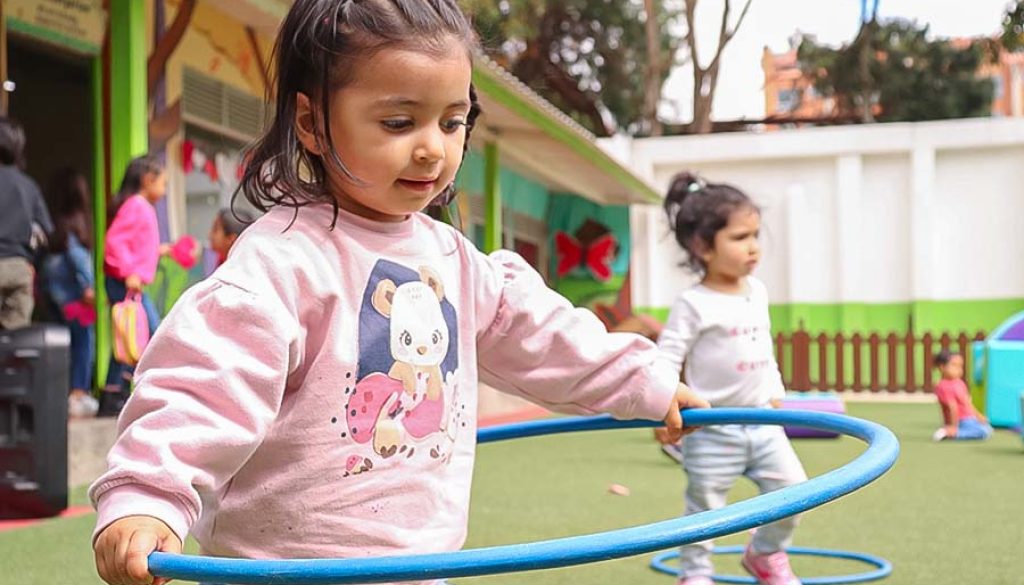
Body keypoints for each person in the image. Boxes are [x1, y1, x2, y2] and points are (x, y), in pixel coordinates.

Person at [88, 3, 709, 585]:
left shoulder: (458, 263)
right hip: (291, 571)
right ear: (310, 122)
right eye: (398, 121)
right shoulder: (282, 265)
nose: (432, 148)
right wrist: (148, 496)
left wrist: (644, 380)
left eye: (453, 121)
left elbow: (545, 338)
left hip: (423, 566)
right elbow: (204, 383)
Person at [655, 172, 807, 585]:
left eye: (756, 234)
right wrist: (661, 405)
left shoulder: (756, 291)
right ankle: (696, 574)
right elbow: (667, 359)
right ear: (703, 246)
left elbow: (764, 347)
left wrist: (775, 391)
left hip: (763, 422)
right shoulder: (693, 303)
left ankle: (764, 553)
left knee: (795, 494)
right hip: (711, 428)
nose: (754, 246)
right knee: (705, 511)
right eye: (740, 237)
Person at [98, 155, 167, 416]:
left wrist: (162, 251)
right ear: (148, 180)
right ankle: (137, 392)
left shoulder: (136, 205)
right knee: (151, 332)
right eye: (163, 183)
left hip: (128, 284)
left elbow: (136, 244)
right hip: (126, 283)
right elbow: (115, 243)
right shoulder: (137, 205)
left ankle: (114, 394)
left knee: (128, 336)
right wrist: (129, 272)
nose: (164, 190)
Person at [42, 167, 99, 417]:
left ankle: (58, 393)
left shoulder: (52, 229)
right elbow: (77, 258)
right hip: (76, 298)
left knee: (61, 345)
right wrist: (88, 286)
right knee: (83, 342)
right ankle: (78, 393)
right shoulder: (75, 228)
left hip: (54, 296)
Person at [0, 116, 53, 330]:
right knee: (16, 345)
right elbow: (46, 233)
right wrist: (32, 262)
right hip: (18, 268)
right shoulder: (28, 186)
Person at [931, 350, 992, 441]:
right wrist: (953, 426)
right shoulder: (943, 386)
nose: (959, 369)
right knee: (982, 432)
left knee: (987, 428)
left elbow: (967, 403)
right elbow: (952, 408)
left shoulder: (959, 383)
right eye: (954, 365)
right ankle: (951, 433)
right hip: (961, 420)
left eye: (960, 366)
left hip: (969, 418)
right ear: (942, 367)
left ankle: (954, 432)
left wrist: (978, 416)